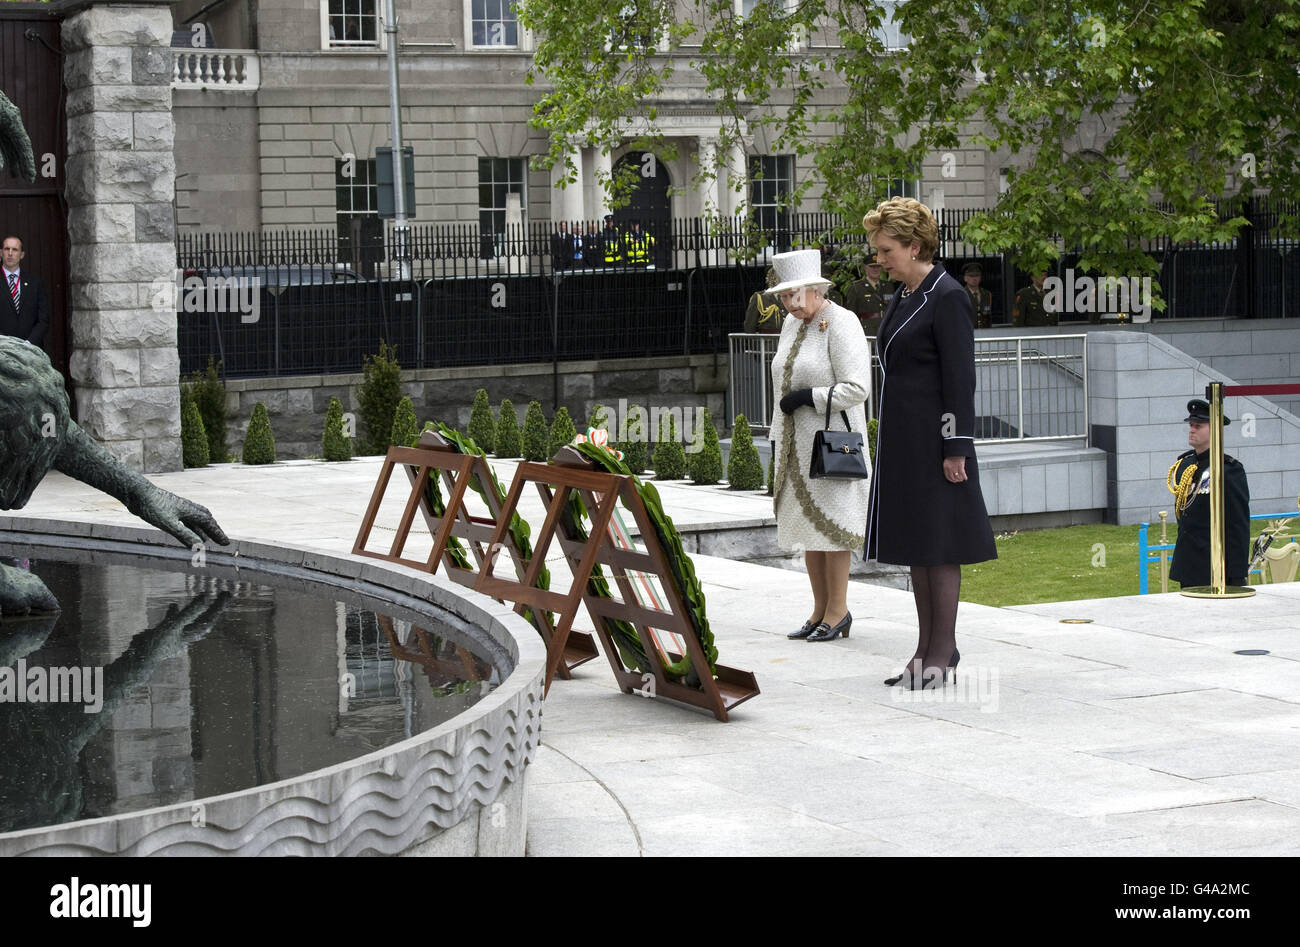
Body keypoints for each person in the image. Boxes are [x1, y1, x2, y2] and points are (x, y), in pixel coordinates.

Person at [863, 197, 996, 688]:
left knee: (941, 545)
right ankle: (925, 649)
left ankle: (943, 650)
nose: (879, 259)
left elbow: (960, 379)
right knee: (920, 545)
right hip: (905, 441)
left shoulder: (948, 295)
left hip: (938, 443)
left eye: (886, 250)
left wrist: (956, 446)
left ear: (914, 246)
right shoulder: (904, 295)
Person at [767, 249, 872, 644]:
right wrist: (778, 431)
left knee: (833, 527)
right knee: (808, 529)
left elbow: (857, 388)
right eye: (783, 297)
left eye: (795, 295)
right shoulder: (791, 325)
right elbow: (782, 380)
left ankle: (838, 611)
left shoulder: (842, 322)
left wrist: (809, 396)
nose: (790, 304)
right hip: (796, 443)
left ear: (815, 290)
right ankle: (818, 611)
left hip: (831, 444)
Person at [1167, 399, 1251, 588]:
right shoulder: (1185, 466)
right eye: (1191, 425)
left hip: (1216, 564)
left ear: (1214, 430)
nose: (1192, 429)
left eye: (1198, 426)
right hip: (1189, 563)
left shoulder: (1228, 470)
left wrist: (1237, 573)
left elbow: (1238, 523)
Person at [1, 235, 49, 348]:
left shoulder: (35, 283)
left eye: (15, 249)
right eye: (7, 249)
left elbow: (43, 319)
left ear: (22, 255)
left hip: (31, 349)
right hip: (2, 349)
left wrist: (28, 343)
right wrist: (6, 343)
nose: (10, 253)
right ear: (1, 252)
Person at [843, 249, 894, 336]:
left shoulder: (888, 286)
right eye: (872, 267)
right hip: (867, 332)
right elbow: (851, 315)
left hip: (887, 330)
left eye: (878, 266)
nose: (875, 269)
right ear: (865, 268)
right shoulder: (856, 288)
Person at [743, 265, 785, 334]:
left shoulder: (788, 296)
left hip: (786, 341)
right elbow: (750, 326)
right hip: (767, 342)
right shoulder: (759, 298)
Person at [962, 262, 993, 329]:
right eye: (971, 276)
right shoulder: (961, 294)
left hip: (985, 332)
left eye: (977, 275)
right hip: (968, 332)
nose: (974, 279)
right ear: (965, 278)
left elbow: (988, 316)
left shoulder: (987, 294)